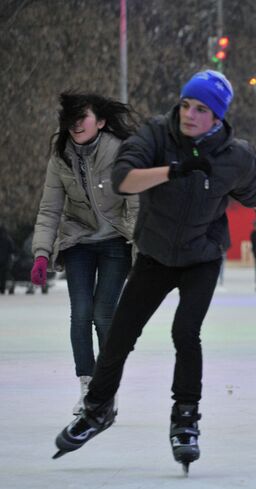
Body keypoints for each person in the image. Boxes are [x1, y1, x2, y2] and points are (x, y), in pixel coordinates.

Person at [52, 70, 256, 473]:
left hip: (201, 257)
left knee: (185, 331)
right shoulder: (157, 134)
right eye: (187, 104)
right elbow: (123, 180)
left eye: (201, 109)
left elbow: (249, 191)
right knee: (121, 333)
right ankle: (98, 409)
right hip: (155, 254)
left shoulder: (235, 156)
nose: (189, 114)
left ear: (218, 117)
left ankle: (185, 417)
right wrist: (174, 169)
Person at [31, 92, 139, 414]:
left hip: (115, 241)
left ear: (101, 122)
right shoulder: (60, 156)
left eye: (84, 118)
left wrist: (140, 251)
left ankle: (107, 389)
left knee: (103, 314)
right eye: (72, 120)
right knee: (80, 312)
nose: (76, 125)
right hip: (78, 240)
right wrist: (41, 253)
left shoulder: (120, 152)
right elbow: (50, 209)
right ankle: (87, 386)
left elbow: (136, 206)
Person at [0, 225, 15, 294]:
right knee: (3, 276)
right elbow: (12, 249)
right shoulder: (7, 238)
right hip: (5, 261)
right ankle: (2, 289)